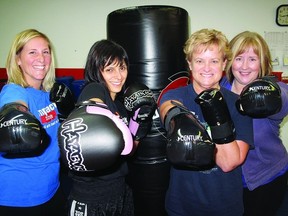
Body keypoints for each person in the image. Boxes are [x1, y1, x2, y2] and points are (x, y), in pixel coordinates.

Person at [158, 28, 254, 216]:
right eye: (200, 61)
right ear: (190, 64)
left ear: (224, 64)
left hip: (225, 206)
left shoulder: (238, 104)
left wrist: (215, 111)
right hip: (182, 205)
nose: (207, 68)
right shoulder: (175, 96)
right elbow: (167, 107)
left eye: (214, 61)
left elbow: (229, 163)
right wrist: (177, 117)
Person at [61, 39, 155, 216]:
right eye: (109, 69)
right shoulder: (95, 89)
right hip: (90, 198)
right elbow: (91, 103)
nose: (118, 76)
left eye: (122, 68)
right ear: (97, 70)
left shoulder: (120, 106)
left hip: (120, 191)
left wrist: (138, 125)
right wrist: (100, 111)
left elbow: (129, 151)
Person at [0, 29, 73, 215]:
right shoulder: (15, 91)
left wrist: (67, 113)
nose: (41, 59)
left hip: (52, 189)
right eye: (32, 52)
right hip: (19, 198)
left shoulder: (50, 96)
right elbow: (14, 108)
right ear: (18, 59)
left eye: (46, 52)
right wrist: (15, 114)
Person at [221, 31, 288, 216]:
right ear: (229, 61)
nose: (244, 66)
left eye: (252, 59)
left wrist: (268, 96)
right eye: (239, 58)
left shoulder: (272, 90)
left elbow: (283, 99)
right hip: (229, 180)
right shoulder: (220, 89)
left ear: (262, 63)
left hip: (266, 178)